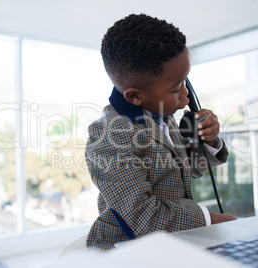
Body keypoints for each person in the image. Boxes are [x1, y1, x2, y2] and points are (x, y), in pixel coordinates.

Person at [85, 13, 236, 251]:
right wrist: (210, 220)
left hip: (175, 241)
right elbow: (142, 217)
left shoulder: (162, 115)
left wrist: (210, 139)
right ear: (135, 96)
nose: (186, 95)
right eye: (176, 88)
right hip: (126, 251)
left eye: (186, 82)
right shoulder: (108, 136)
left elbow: (188, 168)